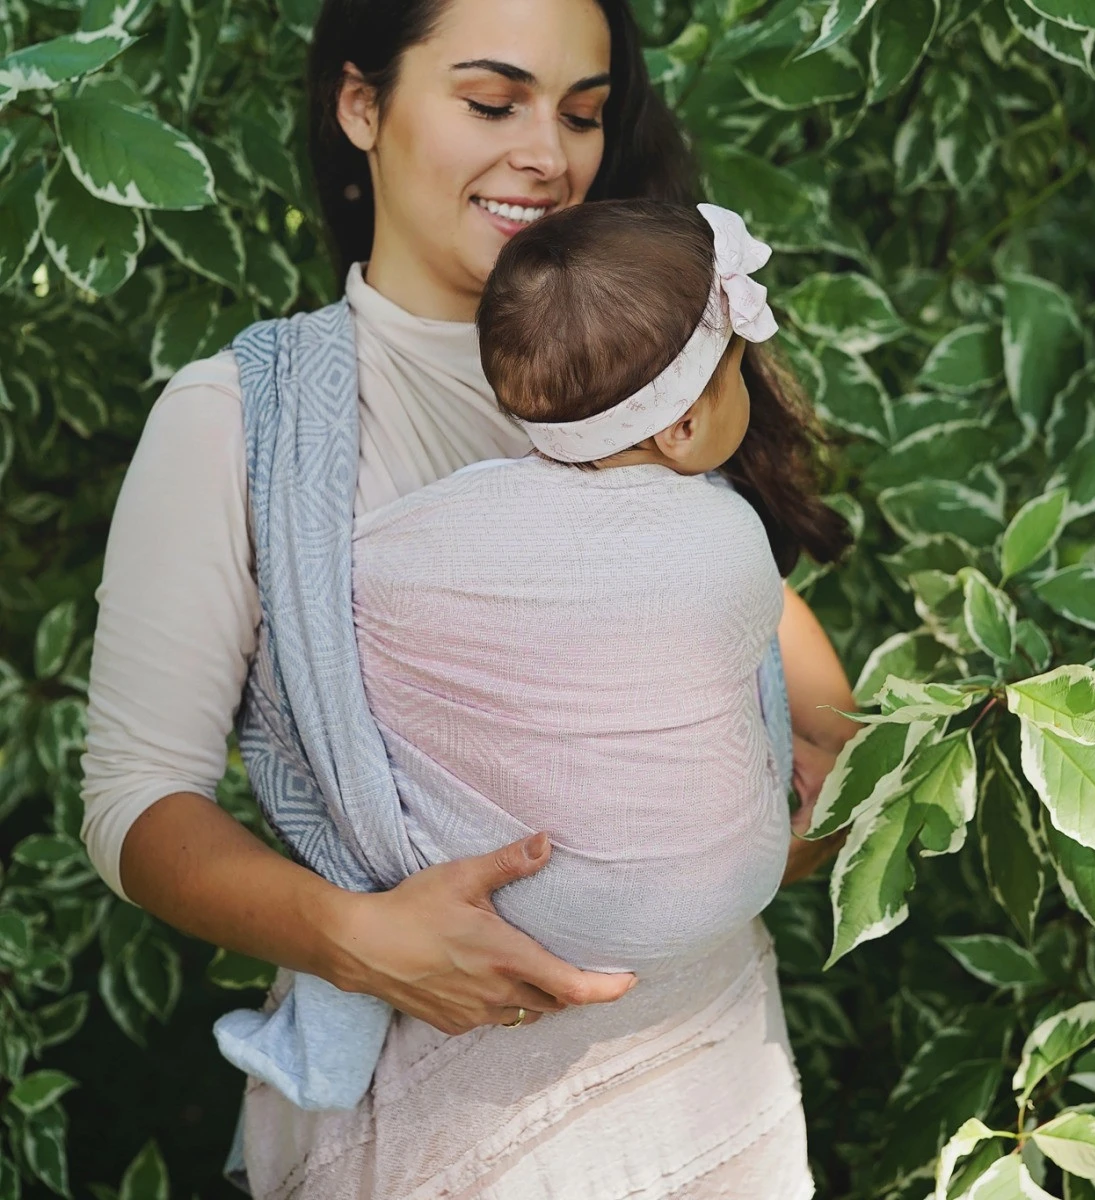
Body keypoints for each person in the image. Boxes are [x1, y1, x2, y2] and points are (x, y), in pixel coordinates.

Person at [79, 0, 859, 1194]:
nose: (547, 152)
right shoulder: (244, 421)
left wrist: (773, 828)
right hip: (436, 1109)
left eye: (583, 115)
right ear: (361, 105)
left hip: (699, 1077)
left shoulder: (650, 372)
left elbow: (811, 727)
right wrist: (360, 939)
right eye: (493, 102)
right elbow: (136, 801)